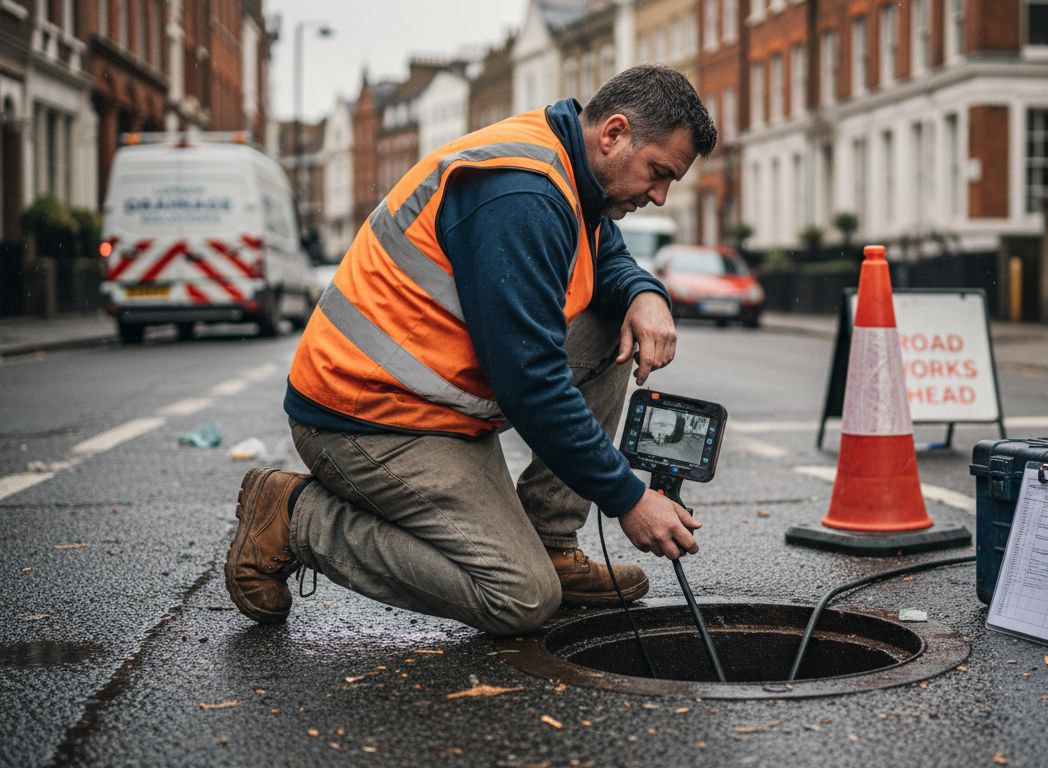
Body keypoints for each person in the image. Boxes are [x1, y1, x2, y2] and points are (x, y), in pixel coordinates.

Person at [224, 65, 717, 636]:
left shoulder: (571, 166)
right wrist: (629, 497)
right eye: (658, 174)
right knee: (521, 598)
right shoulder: (522, 192)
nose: (658, 196)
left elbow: (605, 254)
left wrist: (643, 292)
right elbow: (532, 384)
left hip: (435, 402)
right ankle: (295, 519)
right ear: (613, 133)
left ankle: (549, 540)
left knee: (614, 321)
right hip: (366, 416)